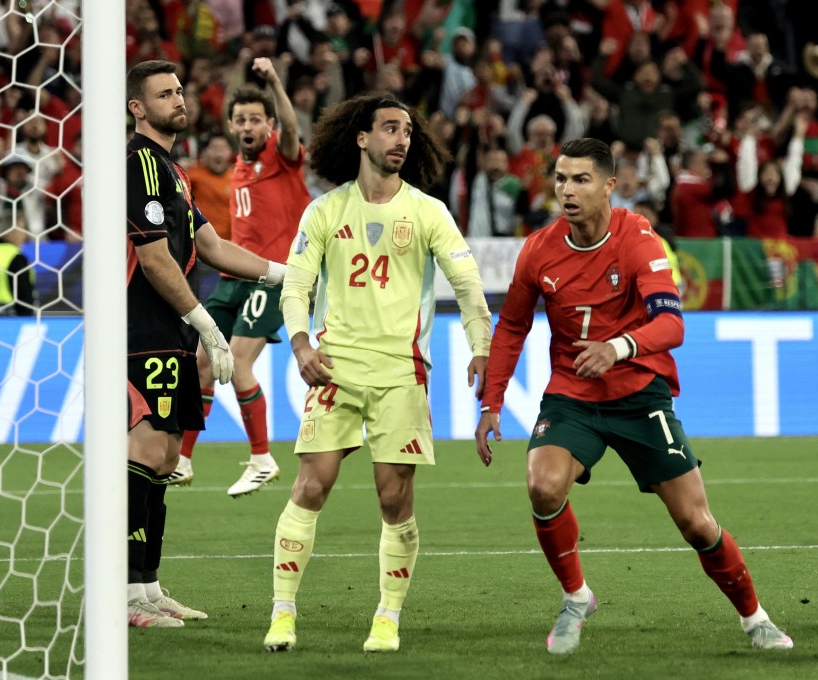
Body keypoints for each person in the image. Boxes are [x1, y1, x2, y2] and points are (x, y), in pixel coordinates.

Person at [476, 138, 793, 655]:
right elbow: (512, 326)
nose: (567, 190)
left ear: (609, 186)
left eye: (581, 180)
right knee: (543, 486)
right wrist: (491, 403)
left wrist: (618, 347)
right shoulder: (537, 248)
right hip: (573, 396)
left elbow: (672, 324)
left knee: (696, 523)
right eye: (561, 178)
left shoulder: (638, 237)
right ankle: (576, 597)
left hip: (640, 395)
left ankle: (755, 618)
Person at [264, 92, 492, 653]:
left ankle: (387, 618)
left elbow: (467, 285)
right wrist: (299, 344)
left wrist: (481, 347)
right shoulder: (324, 211)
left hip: (401, 374)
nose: (401, 139)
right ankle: (282, 613)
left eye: (407, 131)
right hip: (334, 368)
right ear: (361, 138)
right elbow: (295, 286)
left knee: (394, 499)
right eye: (390, 128)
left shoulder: (428, 211)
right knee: (309, 485)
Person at [123, 59, 287, 628]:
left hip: (170, 327)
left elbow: (213, 247)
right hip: (140, 326)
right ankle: (124, 593)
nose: (178, 99)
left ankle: (147, 587)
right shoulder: (138, 164)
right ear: (137, 107)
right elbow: (152, 258)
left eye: (179, 90)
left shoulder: (173, 170)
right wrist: (207, 324)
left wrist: (284, 274)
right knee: (145, 450)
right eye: (163, 94)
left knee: (168, 455)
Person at [173, 57, 312, 496]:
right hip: (233, 278)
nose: (248, 126)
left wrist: (273, 81)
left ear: (268, 125)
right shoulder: (238, 167)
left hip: (273, 278)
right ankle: (182, 460)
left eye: (256, 119)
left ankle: (261, 459)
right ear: (232, 126)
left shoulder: (281, 158)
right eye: (241, 120)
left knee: (238, 362)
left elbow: (291, 128)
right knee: (201, 361)